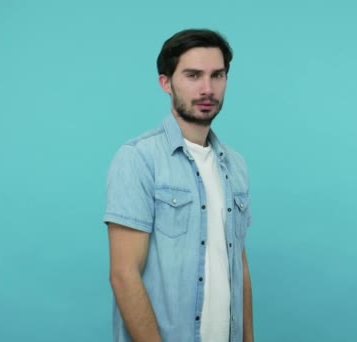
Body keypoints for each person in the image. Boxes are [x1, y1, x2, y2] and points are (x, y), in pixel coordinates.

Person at [104, 28, 253, 342]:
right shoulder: (138, 158)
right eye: (193, 75)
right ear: (166, 82)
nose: (207, 89)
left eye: (218, 75)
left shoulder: (235, 165)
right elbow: (123, 275)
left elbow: (238, 263)